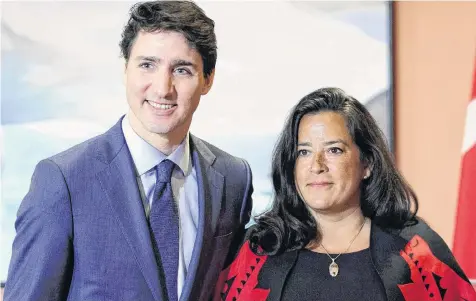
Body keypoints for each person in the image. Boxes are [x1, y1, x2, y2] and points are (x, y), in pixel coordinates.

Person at [4, 1, 253, 301]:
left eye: (182, 69)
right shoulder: (63, 182)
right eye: (147, 64)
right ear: (125, 69)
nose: (163, 88)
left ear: (208, 79)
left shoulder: (233, 179)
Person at [214, 87, 476, 301]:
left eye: (334, 150)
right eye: (303, 151)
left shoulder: (416, 251)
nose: (316, 165)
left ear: (367, 164)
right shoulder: (260, 249)